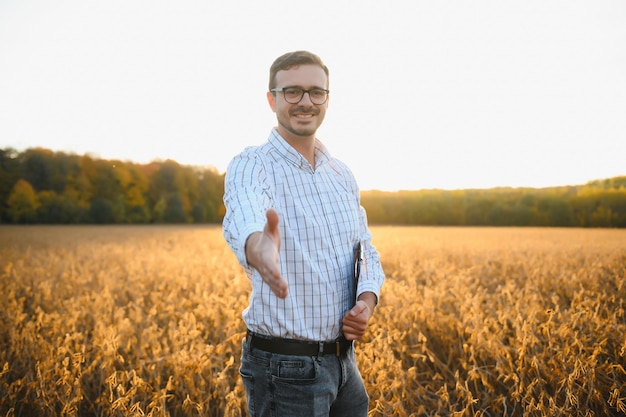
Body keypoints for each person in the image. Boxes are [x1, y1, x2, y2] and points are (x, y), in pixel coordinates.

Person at [222, 50, 385, 417]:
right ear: (272, 98)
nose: (306, 102)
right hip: (286, 369)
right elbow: (244, 210)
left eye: (316, 92)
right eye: (292, 91)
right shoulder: (253, 163)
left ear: (328, 98)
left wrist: (367, 302)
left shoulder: (341, 174)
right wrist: (256, 246)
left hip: (344, 364)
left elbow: (367, 252)